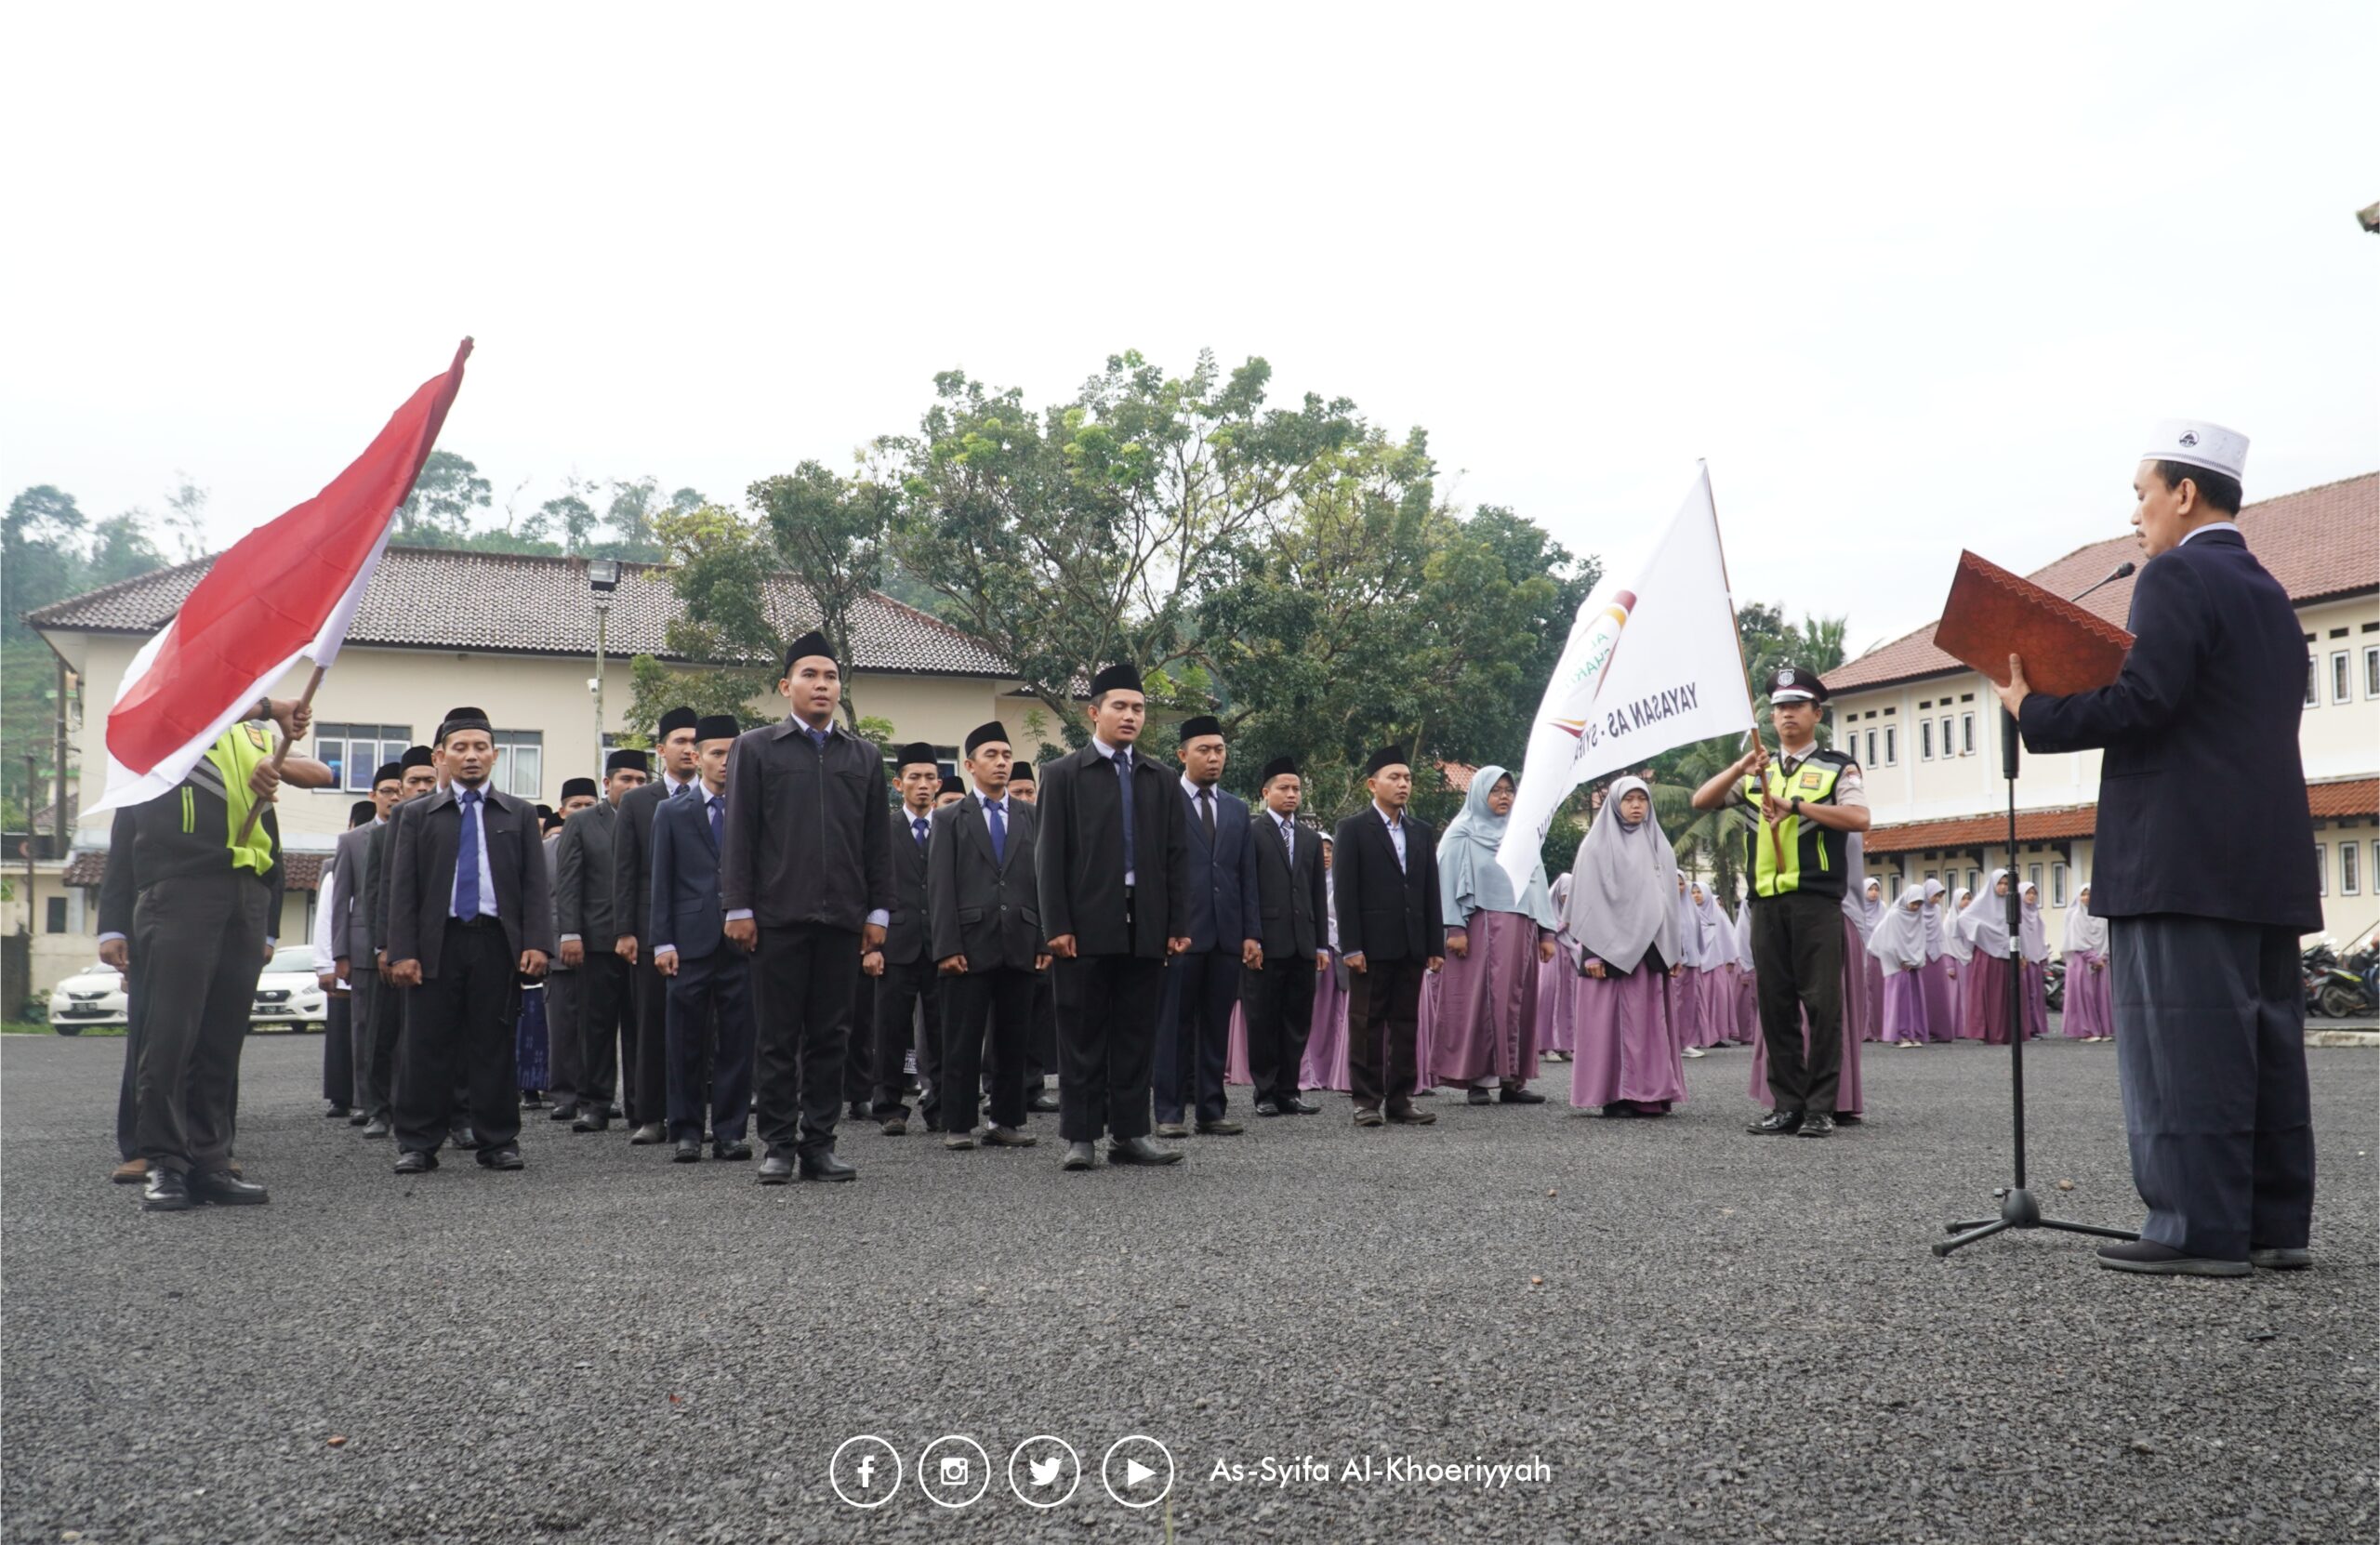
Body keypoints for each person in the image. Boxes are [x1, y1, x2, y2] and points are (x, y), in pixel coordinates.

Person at [2001, 419, 2318, 1276]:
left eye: (2142, 494)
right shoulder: (2269, 592)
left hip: (2179, 857)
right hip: (2264, 856)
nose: (2136, 515)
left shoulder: (2176, 574)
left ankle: (2196, 1231)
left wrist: (2034, 711)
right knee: (2265, 1044)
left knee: (2186, 1048)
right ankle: (2272, 1224)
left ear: (2184, 493)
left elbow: (2146, 702)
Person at [101, 698, 326, 1209]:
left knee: (222, 1038)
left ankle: (211, 1159)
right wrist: (272, 705)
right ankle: (165, 1162)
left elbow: (314, 778)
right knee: (169, 1036)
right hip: (180, 888)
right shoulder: (170, 721)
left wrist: (278, 761)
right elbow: (124, 836)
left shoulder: (252, 736)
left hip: (245, 891)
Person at [721, 632, 892, 1184]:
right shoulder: (756, 747)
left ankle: (820, 1142)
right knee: (776, 1036)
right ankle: (777, 1143)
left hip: (842, 917)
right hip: (777, 916)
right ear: (786, 685)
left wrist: (879, 913)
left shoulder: (862, 755)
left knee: (832, 1034)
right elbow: (740, 833)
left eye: (831, 677)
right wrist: (738, 907)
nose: (822, 685)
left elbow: (876, 842)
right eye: (810, 676)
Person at [1689, 665, 1871, 1139]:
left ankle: (1820, 1108)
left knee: (1823, 1006)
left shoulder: (1836, 766)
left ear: (1816, 713)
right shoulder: (1758, 773)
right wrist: (1739, 767)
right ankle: (1787, 1104)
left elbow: (1859, 817)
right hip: (1765, 903)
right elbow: (1701, 801)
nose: (1786, 714)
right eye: (1779, 708)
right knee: (1775, 1006)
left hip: (1815, 901)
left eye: (1796, 706)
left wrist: (1796, 807)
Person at [1035, 662, 1193, 1170]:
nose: (1130, 716)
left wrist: (1176, 925)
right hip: (1083, 924)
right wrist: (1055, 925)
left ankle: (1129, 1133)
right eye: (1120, 707)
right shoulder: (1062, 775)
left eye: (1138, 708)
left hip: (1145, 923)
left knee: (1135, 1031)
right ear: (1094, 712)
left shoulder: (1160, 778)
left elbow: (1175, 857)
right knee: (1081, 1031)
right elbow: (1048, 856)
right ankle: (1080, 1135)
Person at [385, 709, 554, 1174]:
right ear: (441, 757)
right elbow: (401, 889)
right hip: (435, 944)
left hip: (494, 943)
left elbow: (534, 885)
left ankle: (497, 1141)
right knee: (425, 1046)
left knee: (493, 1044)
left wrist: (537, 942)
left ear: (495, 755)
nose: (471, 756)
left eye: (481, 747)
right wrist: (402, 951)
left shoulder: (518, 814)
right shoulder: (414, 816)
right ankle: (419, 1143)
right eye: (460, 748)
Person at [928, 721, 1047, 1150]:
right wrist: (947, 946)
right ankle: (958, 1123)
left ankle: (1007, 1119)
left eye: (1006, 755)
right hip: (968, 943)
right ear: (970, 764)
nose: (1001, 763)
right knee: (961, 1037)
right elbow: (940, 886)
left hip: (1020, 938)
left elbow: (1043, 881)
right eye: (992, 755)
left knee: (1014, 1037)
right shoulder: (949, 818)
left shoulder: (1032, 815)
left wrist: (1043, 939)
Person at [649, 715, 756, 1164]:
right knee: (685, 1041)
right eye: (716, 752)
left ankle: (730, 1131)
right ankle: (687, 1130)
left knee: (737, 1041)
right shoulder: (671, 811)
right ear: (698, 757)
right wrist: (662, 942)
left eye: (735, 753)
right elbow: (662, 880)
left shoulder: (755, 810)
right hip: (688, 943)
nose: (726, 762)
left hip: (742, 943)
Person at [1156, 715, 1260, 1139]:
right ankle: (1168, 1112)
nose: (1214, 757)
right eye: (1204, 750)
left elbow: (1246, 875)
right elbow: (1157, 872)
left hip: (1226, 936)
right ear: (1182, 755)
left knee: (1216, 1025)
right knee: (1173, 1026)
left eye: (1219, 750)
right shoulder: (1164, 802)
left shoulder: (1236, 808)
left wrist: (1251, 933)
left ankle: (1211, 1110)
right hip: (1180, 934)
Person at [1332, 746, 1446, 1129]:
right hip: (1371, 945)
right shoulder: (1353, 829)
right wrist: (1351, 946)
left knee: (1406, 1023)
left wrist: (1434, 945)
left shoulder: (1420, 831)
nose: (1403, 784)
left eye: (1407, 778)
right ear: (1372, 783)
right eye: (1394, 777)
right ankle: (1366, 1101)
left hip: (1412, 944)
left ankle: (1400, 1099)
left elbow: (1431, 891)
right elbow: (1345, 893)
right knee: (1366, 1022)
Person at [1432, 765, 1556, 1107]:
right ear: (1478, 794)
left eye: (1509, 790)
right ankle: (1477, 1080)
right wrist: (1454, 927)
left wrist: (1546, 931)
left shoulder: (1522, 835)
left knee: (1518, 1000)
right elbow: (1444, 882)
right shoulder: (1462, 833)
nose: (1504, 797)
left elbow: (1537, 882)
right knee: (1479, 1002)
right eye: (1496, 790)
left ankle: (1512, 1081)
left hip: (1522, 930)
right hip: (1477, 930)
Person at [1563, 777, 1686, 1116]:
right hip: (1609, 952)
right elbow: (1586, 902)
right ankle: (1616, 1094)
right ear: (1615, 804)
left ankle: (1652, 1093)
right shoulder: (1596, 846)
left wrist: (1674, 948)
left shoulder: (1659, 844)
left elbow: (1670, 904)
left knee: (1649, 1024)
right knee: (1613, 1025)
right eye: (1628, 799)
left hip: (1652, 951)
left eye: (1641, 800)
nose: (1635, 806)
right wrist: (1591, 952)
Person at [611, 706, 703, 1145]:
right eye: (680, 742)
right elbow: (625, 869)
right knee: (650, 1021)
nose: (689, 749)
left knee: (707, 1024)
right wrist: (625, 929)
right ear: (661, 749)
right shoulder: (638, 801)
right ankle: (650, 1114)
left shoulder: (720, 796)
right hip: (651, 928)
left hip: (702, 925)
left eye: (694, 742)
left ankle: (699, 1112)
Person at [553, 748, 648, 1129]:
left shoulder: (653, 814)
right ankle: (595, 1103)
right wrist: (571, 932)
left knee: (642, 1027)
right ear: (607, 783)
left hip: (644, 940)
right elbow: (569, 882)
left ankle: (642, 1106)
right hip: (595, 939)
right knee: (596, 1025)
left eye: (641, 780)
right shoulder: (584, 823)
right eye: (626, 779)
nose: (634, 786)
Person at [1238, 757, 1328, 1117]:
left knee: (1296, 1019)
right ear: (1266, 793)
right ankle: (1266, 1092)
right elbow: (1246, 887)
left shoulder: (1308, 837)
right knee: (1262, 1019)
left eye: (1296, 789)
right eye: (1284, 788)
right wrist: (1251, 936)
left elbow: (1317, 894)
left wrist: (1321, 942)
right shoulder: (1251, 832)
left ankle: (1290, 1090)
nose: (1292, 795)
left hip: (1303, 943)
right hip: (1265, 942)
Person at [360, 745, 439, 1140]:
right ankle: (378, 1110)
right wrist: (384, 948)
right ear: (400, 789)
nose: (423, 788)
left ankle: (455, 1117)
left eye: (429, 780)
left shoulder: (450, 824)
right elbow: (377, 895)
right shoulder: (384, 835)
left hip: (440, 947)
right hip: (395, 948)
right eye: (414, 782)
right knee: (384, 1033)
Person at [318, 765, 401, 1121]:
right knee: (365, 1029)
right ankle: (369, 1103)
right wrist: (339, 954)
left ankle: (405, 1101)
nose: (394, 797)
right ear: (373, 796)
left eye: (400, 789)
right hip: (363, 945)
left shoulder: (419, 829)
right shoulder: (352, 841)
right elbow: (340, 900)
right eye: (386, 790)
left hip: (410, 946)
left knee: (408, 1031)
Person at [873, 743, 946, 1136]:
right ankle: (889, 1106)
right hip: (895, 943)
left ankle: (939, 1105)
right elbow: (872, 885)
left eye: (930, 777)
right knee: (891, 1028)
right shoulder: (883, 829)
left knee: (940, 1029)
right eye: (914, 778)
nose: (923, 785)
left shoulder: (952, 826)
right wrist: (871, 944)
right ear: (898, 783)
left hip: (941, 943)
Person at [1001, 758, 1061, 1113]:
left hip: (1040, 934)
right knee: (1004, 1018)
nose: (1025, 797)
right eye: (1018, 791)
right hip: (1004, 933)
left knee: (1038, 1016)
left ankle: (1033, 1085)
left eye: (1029, 791)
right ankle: (998, 1084)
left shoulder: (1042, 825)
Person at [1301, 834, 1353, 1093]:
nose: (1326, 855)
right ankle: (1309, 1073)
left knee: (1339, 1014)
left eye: (1330, 850)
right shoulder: (1304, 878)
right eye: (1320, 850)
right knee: (1314, 1013)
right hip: (1315, 950)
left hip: (1340, 951)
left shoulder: (1342, 879)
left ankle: (1337, 1073)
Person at [1955, 872, 2018, 1045]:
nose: (2004, 887)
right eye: (2000, 883)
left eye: (2007, 883)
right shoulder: (1981, 904)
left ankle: (2007, 1032)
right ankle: (1989, 1033)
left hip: (2007, 955)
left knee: (2006, 995)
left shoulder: (2011, 903)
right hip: (1987, 957)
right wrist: (1981, 931)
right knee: (1990, 995)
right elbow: (1963, 919)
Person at [1871, 886, 1933, 1046]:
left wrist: (1916, 960)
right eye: (1914, 903)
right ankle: (1900, 1035)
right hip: (1898, 966)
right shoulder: (1895, 915)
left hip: (1913, 965)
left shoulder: (1918, 916)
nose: (1916, 907)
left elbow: (1920, 939)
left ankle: (1915, 1034)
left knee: (1914, 1000)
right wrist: (1900, 960)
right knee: (1900, 1000)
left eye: (1919, 903)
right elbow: (1885, 939)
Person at [2061, 884, 2114, 1042]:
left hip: (2102, 961)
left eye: (2090, 894)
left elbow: (2107, 938)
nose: (2086, 898)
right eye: (2083, 895)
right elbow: (2076, 940)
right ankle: (2086, 1031)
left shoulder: (2103, 917)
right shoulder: (2076, 916)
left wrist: (2103, 957)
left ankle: (2102, 1029)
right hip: (2081, 961)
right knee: (2085, 995)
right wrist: (2092, 957)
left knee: (2101, 995)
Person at [1535, 873, 1579, 1063]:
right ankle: (1547, 1045)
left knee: (1568, 997)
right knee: (1549, 995)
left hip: (1568, 953)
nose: (1568, 900)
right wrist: (1564, 924)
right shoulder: (1547, 911)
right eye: (1565, 895)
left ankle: (1566, 1044)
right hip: (1552, 952)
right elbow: (1547, 927)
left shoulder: (1574, 911)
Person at [2017, 881, 2051, 1039]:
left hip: (2036, 959)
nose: (2031, 896)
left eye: (2033, 893)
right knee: (2026, 995)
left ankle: (2035, 1027)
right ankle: (2027, 1028)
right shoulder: (2017, 913)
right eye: (2028, 893)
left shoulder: (2035, 913)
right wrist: (2020, 954)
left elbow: (2039, 936)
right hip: (2023, 960)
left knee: (2036, 995)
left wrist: (2042, 954)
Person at [1939, 887, 1974, 1042]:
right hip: (1955, 961)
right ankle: (1957, 1028)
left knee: (1970, 996)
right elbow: (1945, 944)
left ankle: (1970, 1028)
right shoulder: (1950, 921)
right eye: (1963, 899)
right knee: (1956, 996)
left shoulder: (1972, 919)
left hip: (1969, 961)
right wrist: (1948, 966)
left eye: (1969, 898)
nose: (1966, 902)